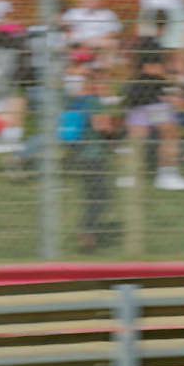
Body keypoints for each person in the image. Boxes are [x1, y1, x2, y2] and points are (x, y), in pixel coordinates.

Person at [61, 70, 120, 251]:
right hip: (94, 156)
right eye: (103, 83)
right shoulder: (94, 101)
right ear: (94, 84)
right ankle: (86, 231)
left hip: (80, 156)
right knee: (101, 197)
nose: (106, 88)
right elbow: (100, 126)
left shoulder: (75, 102)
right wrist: (114, 128)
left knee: (93, 196)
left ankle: (87, 231)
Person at [122, 41, 184, 190]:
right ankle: (157, 175)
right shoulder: (152, 51)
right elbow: (154, 71)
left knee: (163, 134)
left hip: (147, 103)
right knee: (158, 135)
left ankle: (165, 175)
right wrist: (174, 79)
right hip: (148, 105)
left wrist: (174, 91)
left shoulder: (149, 51)